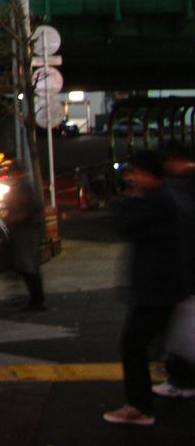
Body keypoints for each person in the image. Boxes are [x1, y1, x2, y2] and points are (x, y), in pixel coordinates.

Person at [103, 150, 195, 426]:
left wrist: (127, 200)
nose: (132, 178)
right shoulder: (169, 197)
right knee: (169, 343)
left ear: (148, 174)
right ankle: (179, 382)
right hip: (166, 285)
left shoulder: (156, 201)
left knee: (133, 345)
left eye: (135, 172)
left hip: (157, 288)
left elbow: (123, 226)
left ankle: (139, 407)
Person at [155, 145, 195, 399]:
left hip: (186, 270)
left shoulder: (184, 186)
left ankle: (182, 380)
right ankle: (180, 377)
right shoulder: (182, 184)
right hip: (184, 269)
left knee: (181, 328)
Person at [2, 161, 45, 309]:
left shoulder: (24, 188)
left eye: (13, 173)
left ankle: (37, 300)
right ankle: (35, 299)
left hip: (26, 232)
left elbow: (31, 209)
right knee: (25, 266)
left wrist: (16, 218)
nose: (12, 176)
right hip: (22, 232)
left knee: (28, 266)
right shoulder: (19, 188)